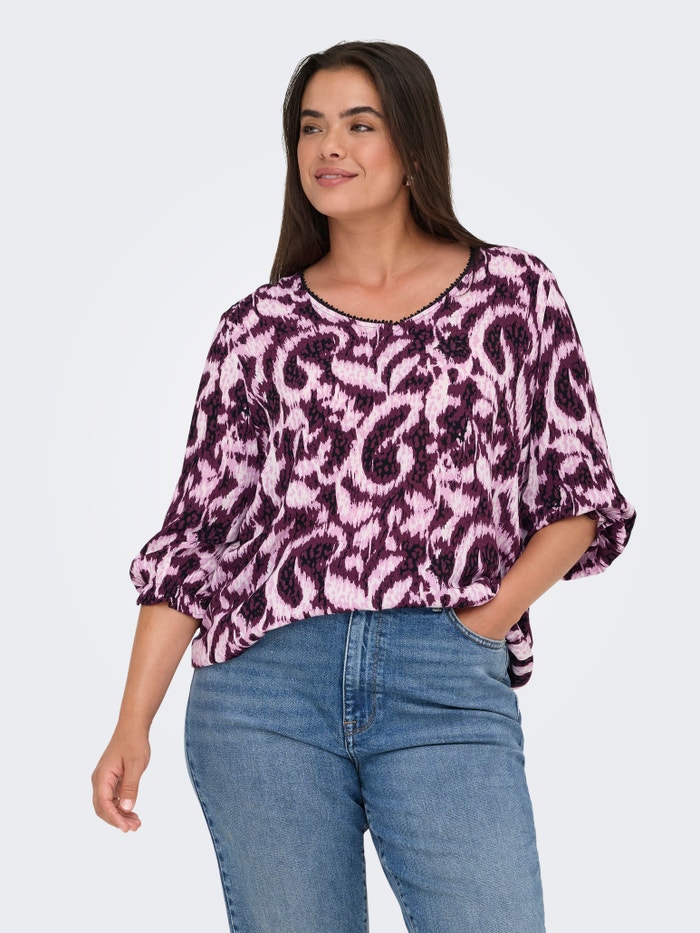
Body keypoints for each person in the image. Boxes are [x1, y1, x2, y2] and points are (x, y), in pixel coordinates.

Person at [92, 40, 636, 933]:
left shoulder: (513, 293)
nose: (329, 147)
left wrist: (484, 622)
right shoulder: (258, 329)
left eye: (358, 124)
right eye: (311, 128)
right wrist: (130, 724)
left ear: (413, 144)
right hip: (265, 692)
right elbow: (197, 537)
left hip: (445, 677)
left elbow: (578, 495)